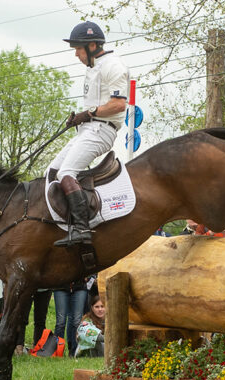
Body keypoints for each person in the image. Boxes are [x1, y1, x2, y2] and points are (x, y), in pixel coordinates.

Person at [48, 21, 129, 248]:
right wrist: (80, 118)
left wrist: (89, 113)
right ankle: (62, 224)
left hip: (103, 130)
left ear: (92, 45)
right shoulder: (93, 68)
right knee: (52, 171)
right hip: (88, 129)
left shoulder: (113, 65)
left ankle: (82, 229)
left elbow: (118, 105)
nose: (76, 54)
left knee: (66, 173)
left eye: (78, 49)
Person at [54, 277, 90, 356]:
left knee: (77, 321)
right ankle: (57, 352)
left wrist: (88, 277)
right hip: (60, 286)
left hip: (80, 286)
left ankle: (74, 352)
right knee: (60, 322)